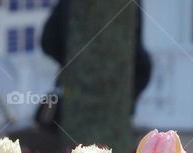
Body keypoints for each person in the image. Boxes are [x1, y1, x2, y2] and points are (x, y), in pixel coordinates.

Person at [38, 0, 152, 130]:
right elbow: (141, 65)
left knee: (73, 148)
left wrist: (73, 63)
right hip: (115, 106)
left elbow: (48, 41)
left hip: (74, 103)